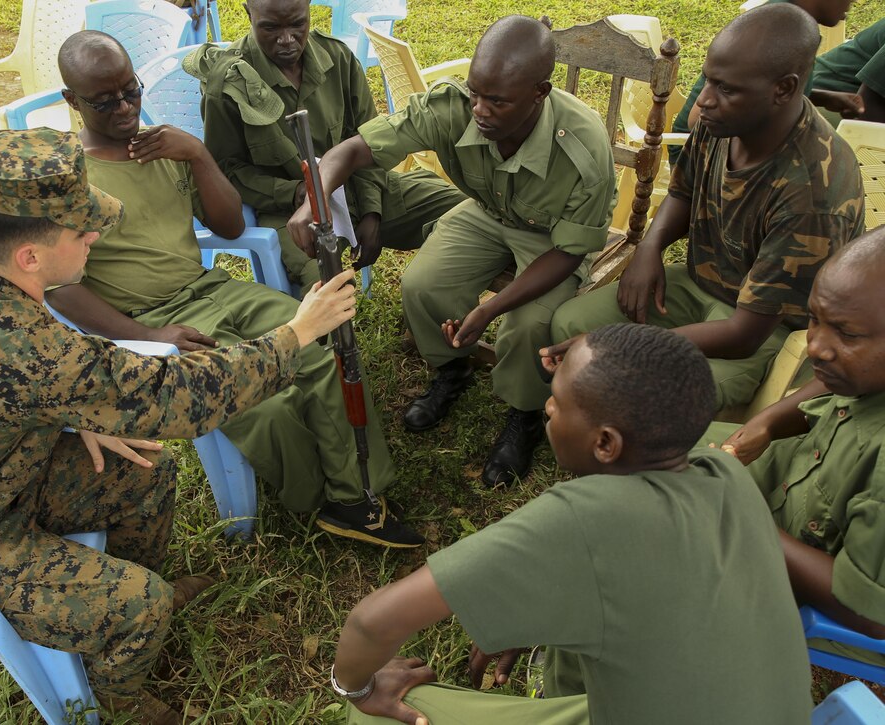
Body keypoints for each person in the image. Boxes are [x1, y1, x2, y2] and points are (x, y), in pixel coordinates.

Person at [0, 128, 360, 724]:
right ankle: (122, 700)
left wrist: (72, 415)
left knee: (143, 467)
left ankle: (135, 598)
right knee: (142, 606)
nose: (96, 236)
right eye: (82, 231)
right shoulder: (26, 349)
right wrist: (297, 333)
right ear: (30, 254)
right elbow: (180, 398)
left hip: (0, 480)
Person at [46, 31, 423, 547]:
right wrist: (148, 333)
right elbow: (59, 290)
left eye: (130, 90)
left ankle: (358, 493)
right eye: (103, 100)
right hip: (149, 316)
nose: (124, 107)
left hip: (213, 288)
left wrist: (199, 155)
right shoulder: (66, 177)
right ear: (71, 101)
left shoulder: (164, 147)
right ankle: (318, 501)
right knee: (259, 403)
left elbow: (225, 228)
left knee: (323, 348)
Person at [329, 324, 812, 725]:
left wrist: (356, 686)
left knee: (376, 715)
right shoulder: (725, 471)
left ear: (605, 443)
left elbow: (371, 623)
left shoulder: (582, 518)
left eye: (559, 400)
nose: (548, 408)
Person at [289, 15, 617, 487]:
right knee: (422, 285)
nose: (479, 110)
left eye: (497, 101)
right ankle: (452, 371)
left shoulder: (584, 147)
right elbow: (354, 151)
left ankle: (524, 415)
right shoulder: (454, 107)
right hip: (487, 212)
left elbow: (568, 254)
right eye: (475, 93)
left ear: (540, 94)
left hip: (552, 241)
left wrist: (490, 311)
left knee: (529, 325)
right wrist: (313, 198)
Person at [547, 5, 865, 414]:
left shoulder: (813, 194)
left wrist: (623, 344)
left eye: (727, 89)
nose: (706, 102)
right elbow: (684, 191)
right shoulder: (724, 124)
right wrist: (649, 249)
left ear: (783, 89)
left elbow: (745, 334)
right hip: (701, 285)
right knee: (571, 324)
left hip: (762, 333)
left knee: (640, 386)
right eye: (709, 81)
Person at [188, 0, 467, 293]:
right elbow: (227, 171)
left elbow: (367, 139)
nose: (286, 40)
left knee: (463, 212)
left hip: (360, 186)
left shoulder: (338, 57)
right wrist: (295, 193)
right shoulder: (229, 80)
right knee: (323, 290)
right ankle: (332, 338)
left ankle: (435, 311)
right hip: (291, 212)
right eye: (270, 27)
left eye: (297, 24)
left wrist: (373, 212)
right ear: (249, 14)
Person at [701, 227, 885, 666]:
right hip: (784, 494)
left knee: (643, 580)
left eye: (847, 334)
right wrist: (766, 422)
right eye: (814, 319)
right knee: (652, 456)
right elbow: (824, 385)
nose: (817, 347)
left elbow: (870, 614)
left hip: (808, 579)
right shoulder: (862, 370)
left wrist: (743, 523)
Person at [669, 0, 861, 165]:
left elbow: (762, 92)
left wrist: (823, 97)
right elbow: (697, 121)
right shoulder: (775, 29)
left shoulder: (798, 26)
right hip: (696, 150)